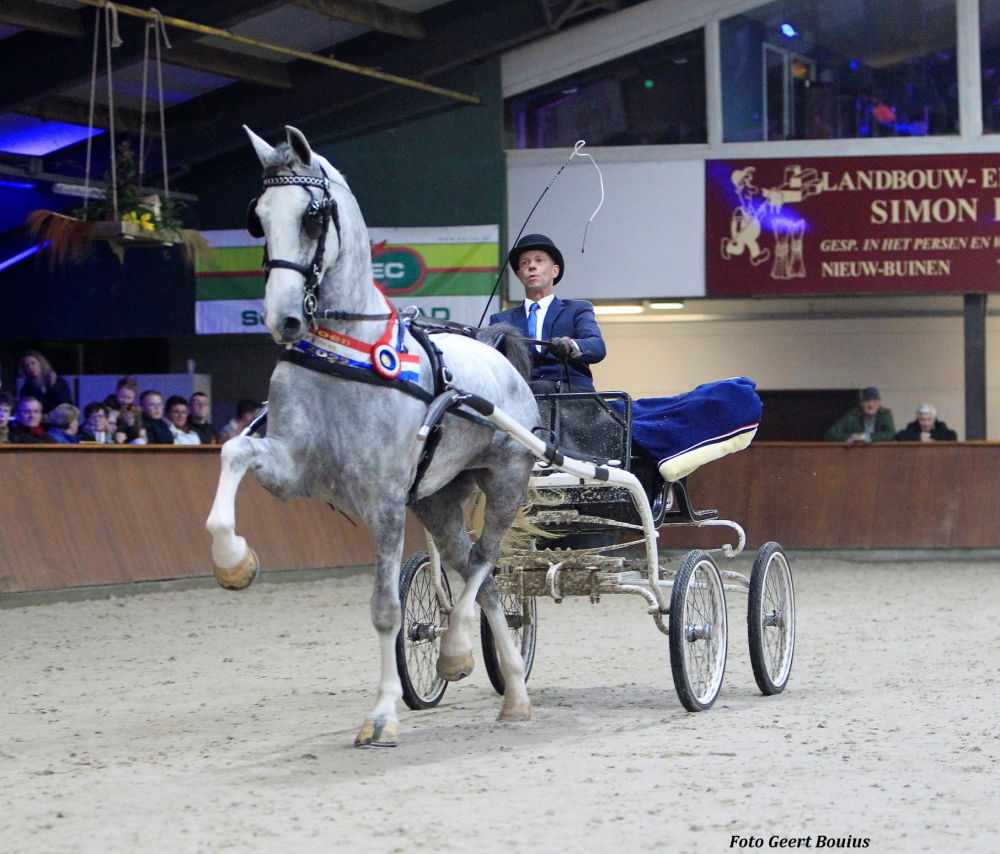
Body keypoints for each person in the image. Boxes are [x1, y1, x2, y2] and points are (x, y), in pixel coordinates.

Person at [489, 234, 606, 393]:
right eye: (525, 262)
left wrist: (569, 345)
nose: (531, 266)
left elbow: (597, 347)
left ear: (554, 271)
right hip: (523, 396)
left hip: (571, 396)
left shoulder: (577, 309)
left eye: (539, 260)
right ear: (519, 275)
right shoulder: (501, 320)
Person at [826, 386, 896, 444]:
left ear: (879, 403)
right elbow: (831, 434)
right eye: (867, 401)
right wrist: (852, 436)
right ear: (861, 403)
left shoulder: (884, 414)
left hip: (879, 452)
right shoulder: (852, 416)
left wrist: (863, 437)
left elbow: (891, 434)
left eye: (874, 401)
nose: (871, 405)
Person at [17, 349, 72, 417]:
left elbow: (66, 404)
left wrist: (53, 387)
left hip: (60, 419)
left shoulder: (58, 382)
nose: (30, 367)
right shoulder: (26, 389)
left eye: (33, 363)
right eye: (27, 366)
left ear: (40, 363)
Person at [104, 376, 146, 444]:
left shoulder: (135, 411)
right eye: (122, 396)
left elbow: (135, 435)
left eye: (129, 398)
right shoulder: (106, 407)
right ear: (116, 392)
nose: (125, 401)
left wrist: (131, 424)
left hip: (128, 442)